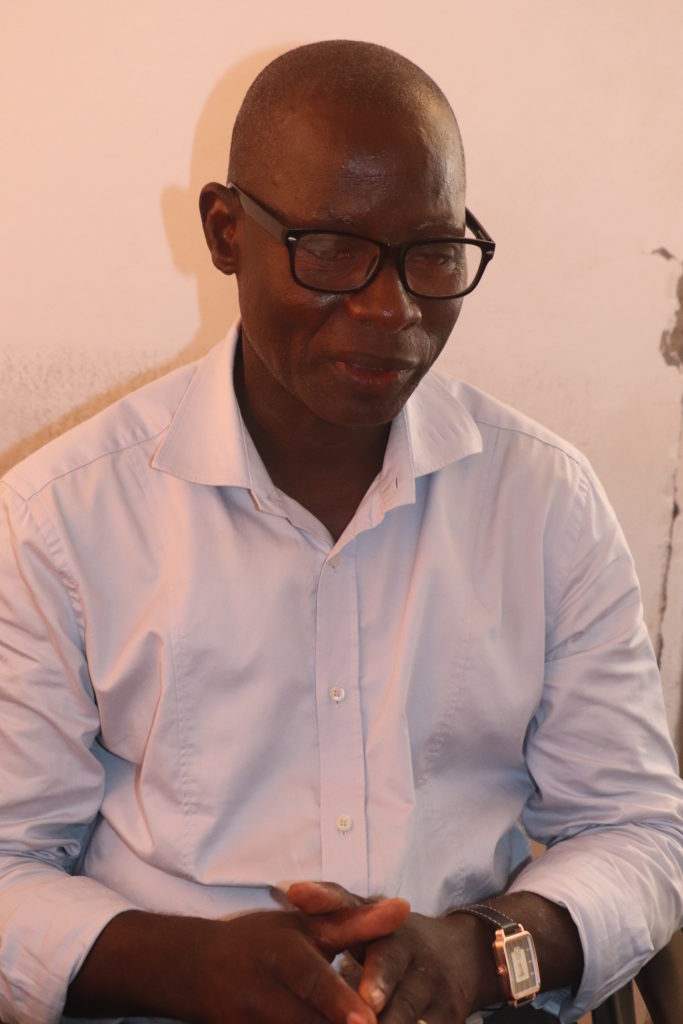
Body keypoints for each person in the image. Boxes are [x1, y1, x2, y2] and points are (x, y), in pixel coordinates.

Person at [0, 39, 681, 1024]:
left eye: (432, 253)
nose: (388, 306)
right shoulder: (58, 519)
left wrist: (479, 954)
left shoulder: (543, 502)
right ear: (225, 231)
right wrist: (191, 968)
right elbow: (9, 861)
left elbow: (637, 832)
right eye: (329, 249)